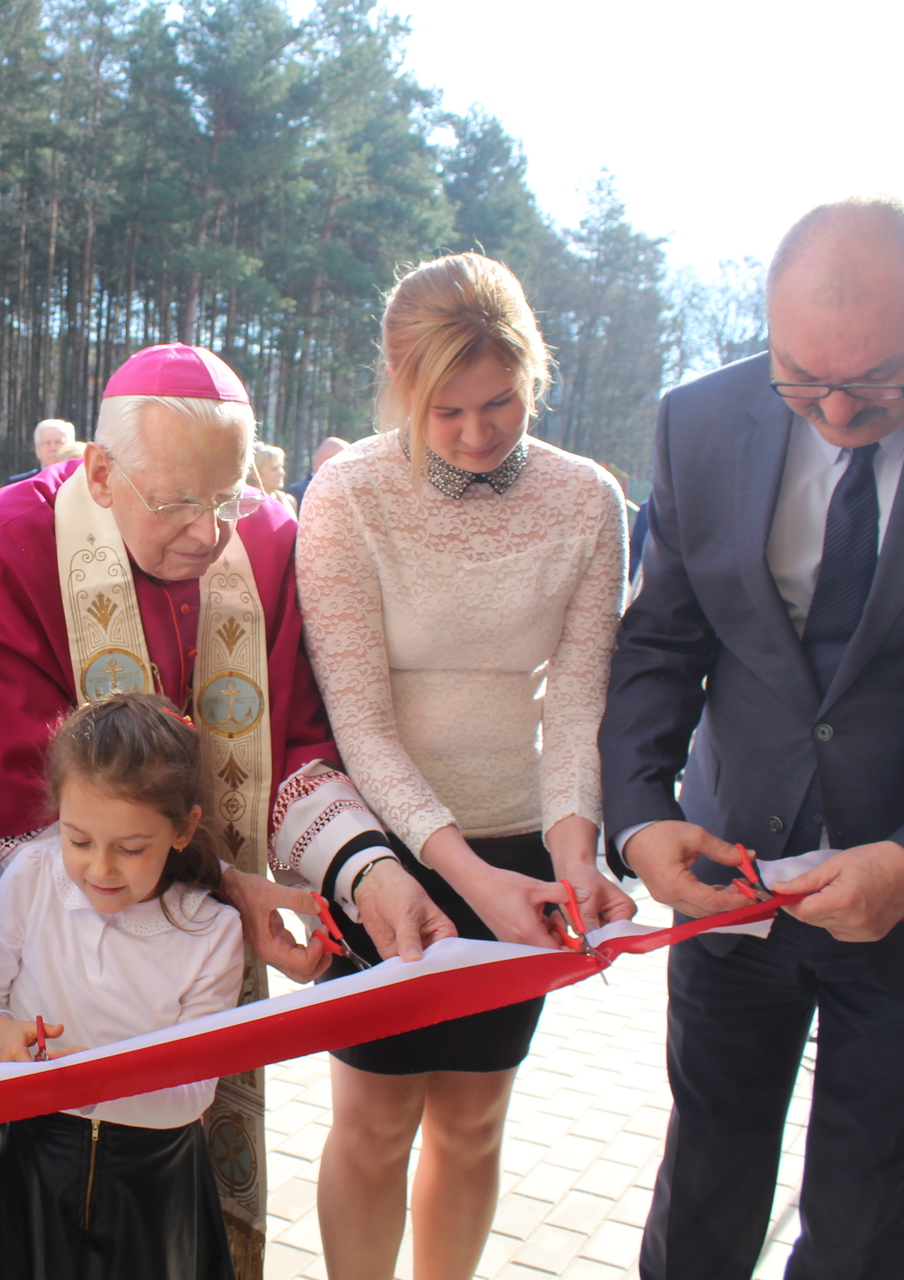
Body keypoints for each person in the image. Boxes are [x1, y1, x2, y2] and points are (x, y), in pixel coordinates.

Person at [0, 342, 452, 1271]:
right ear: (100, 473)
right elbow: (21, 798)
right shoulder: (7, 539)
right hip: (27, 899)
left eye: (228, 497)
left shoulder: (266, 541)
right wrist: (228, 890)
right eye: (180, 502)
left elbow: (295, 751)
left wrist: (368, 876)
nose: (211, 534)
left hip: (190, 942)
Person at [600, 197, 904, 1279]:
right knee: (703, 1191)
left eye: (876, 381)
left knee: (867, 1223)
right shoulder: (699, 421)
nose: (833, 408)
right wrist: (641, 819)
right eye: (800, 375)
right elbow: (660, 642)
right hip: (731, 873)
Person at [295, 252, 634, 1280]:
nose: (482, 434)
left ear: (536, 374)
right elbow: (361, 722)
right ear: (401, 388)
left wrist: (576, 849)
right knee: (374, 1114)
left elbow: (578, 705)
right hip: (386, 849)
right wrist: (471, 877)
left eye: (504, 402)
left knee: (478, 1114)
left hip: (520, 838)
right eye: (448, 410)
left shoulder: (588, 500)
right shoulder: (349, 495)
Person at [0, 692, 244, 1280]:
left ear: (183, 830)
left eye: (131, 849)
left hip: (151, 1182)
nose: (101, 869)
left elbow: (193, 1093)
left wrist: (90, 1080)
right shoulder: (31, 879)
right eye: (78, 840)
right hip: (24, 1164)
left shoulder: (213, 932)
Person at [4, 418, 77, 484]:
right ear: (37, 450)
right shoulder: (17, 484)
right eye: (47, 443)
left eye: (59, 442)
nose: (53, 448)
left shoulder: (83, 482)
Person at [285, 435, 349, 507]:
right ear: (327, 460)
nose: (348, 467)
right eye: (344, 462)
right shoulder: (297, 492)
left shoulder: (346, 491)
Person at [248, 443, 298, 517]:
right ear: (255, 474)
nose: (282, 473)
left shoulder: (289, 501)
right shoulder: (246, 505)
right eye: (274, 469)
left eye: (281, 467)